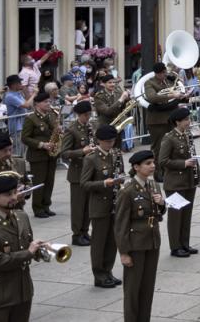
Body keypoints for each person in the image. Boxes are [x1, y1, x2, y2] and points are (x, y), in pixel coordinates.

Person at [0, 172, 44, 322]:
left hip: (23, 292)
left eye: (15, 192)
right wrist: (29, 253)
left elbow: (26, 245)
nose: (13, 197)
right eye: (7, 194)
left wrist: (41, 250)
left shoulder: (21, 217)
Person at [114, 150, 164, 322]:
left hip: (152, 241)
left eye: (153, 162)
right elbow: (120, 224)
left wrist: (161, 203)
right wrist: (124, 252)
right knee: (133, 290)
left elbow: (159, 213)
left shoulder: (154, 185)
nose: (152, 166)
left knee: (147, 287)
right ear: (136, 167)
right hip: (135, 245)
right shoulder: (127, 191)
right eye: (148, 163)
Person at [82, 124, 125, 289]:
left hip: (114, 204)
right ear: (99, 141)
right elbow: (84, 184)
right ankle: (99, 275)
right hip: (99, 206)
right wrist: (103, 183)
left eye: (113, 141)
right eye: (107, 141)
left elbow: (120, 173)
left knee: (112, 241)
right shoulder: (91, 158)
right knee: (99, 242)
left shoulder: (115, 154)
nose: (110, 144)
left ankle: (108, 271)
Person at [156, 107, 200, 258]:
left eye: (189, 119)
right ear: (177, 122)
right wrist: (183, 163)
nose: (189, 122)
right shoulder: (169, 138)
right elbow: (162, 161)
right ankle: (175, 246)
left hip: (188, 181)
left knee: (186, 214)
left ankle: (185, 243)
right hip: (175, 182)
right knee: (176, 216)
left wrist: (197, 178)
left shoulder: (187, 135)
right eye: (186, 120)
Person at [60, 100, 96, 245]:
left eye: (89, 114)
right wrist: (82, 151)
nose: (88, 117)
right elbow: (64, 153)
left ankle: (85, 231)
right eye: (86, 115)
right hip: (77, 173)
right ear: (78, 114)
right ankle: (77, 234)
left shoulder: (89, 127)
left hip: (90, 172)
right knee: (78, 207)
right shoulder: (71, 129)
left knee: (88, 205)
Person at [20, 91, 60, 219]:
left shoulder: (51, 116)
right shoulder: (31, 118)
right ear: (37, 104)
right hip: (37, 155)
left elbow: (54, 131)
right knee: (39, 182)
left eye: (49, 101)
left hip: (51, 154)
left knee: (49, 181)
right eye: (46, 102)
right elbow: (25, 138)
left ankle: (46, 205)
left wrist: (59, 132)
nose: (49, 104)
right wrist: (41, 144)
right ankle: (37, 208)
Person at [141, 63, 186, 152]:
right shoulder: (149, 83)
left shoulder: (168, 81)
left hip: (172, 118)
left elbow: (177, 95)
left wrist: (183, 96)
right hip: (158, 121)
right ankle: (157, 166)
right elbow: (152, 97)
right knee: (158, 148)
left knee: (174, 146)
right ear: (157, 73)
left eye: (165, 72)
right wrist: (172, 95)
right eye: (163, 73)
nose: (165, 74)